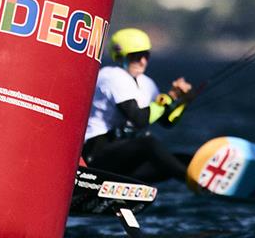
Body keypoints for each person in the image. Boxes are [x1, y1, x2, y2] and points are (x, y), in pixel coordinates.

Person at [82, 28, 192, 183]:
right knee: (148, 142)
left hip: (121, 153)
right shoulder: (111, 76)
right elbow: (139, 119)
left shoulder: (146, 83)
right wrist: (169, 97)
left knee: (183, 160)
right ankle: (191, 180)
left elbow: (167, 121)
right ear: (121, 57)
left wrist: (182, 101)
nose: (143, 61)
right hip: (95, 153)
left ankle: (205, 183)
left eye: (146, 55)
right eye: (137, 56)